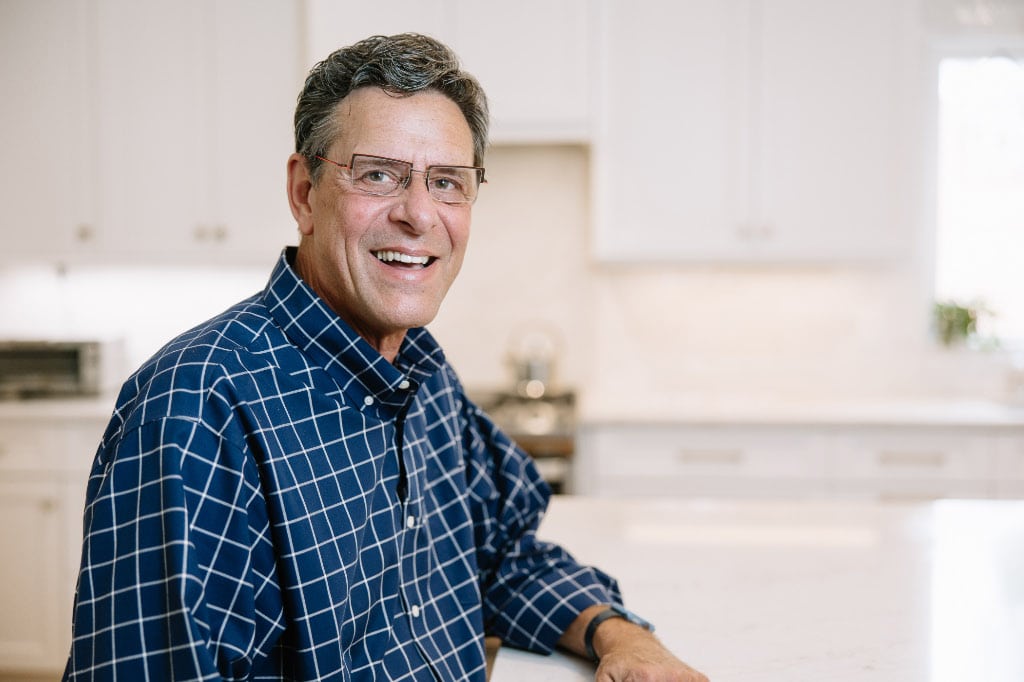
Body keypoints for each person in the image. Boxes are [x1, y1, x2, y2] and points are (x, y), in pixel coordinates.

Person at [63, 33, 708, 682]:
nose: (419, 214)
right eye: (378, 174)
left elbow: (504, 558)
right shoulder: (198, 410)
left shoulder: (423, 377)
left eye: (448, 183)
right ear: (303, 192)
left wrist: (621, 637)